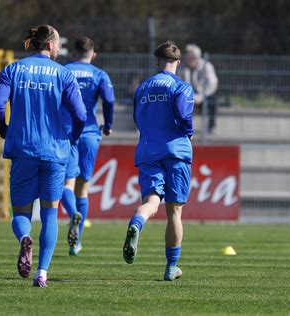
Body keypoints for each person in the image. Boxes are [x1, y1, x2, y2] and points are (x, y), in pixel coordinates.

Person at [0, 25, 87, 288]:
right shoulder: (63, 74)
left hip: (22, 149)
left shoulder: (13, 69)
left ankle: (24, 238)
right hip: (55, 152)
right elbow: (80, 115)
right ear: (51, 46)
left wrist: (4, 130)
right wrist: (73, 137)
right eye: (58, 44)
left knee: (21, 213)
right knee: (50, 215)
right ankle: (42, 273)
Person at [122, 41, 194, 281]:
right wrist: (190, 132)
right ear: (178, 62)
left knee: (151, 202)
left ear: (157, 61)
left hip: (148, 151)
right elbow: (184, 115)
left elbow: (137, 119)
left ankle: (137, 222)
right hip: (176, 152)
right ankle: (171, 267)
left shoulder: (142, 88)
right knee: (174, 212)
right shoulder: (181, 86)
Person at [61, 37, 115, 256]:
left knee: (67, 183)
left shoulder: (63, 71)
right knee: (83, 187)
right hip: (91, 132)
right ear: (93, 55)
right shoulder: (99, 74)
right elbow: (109, 100)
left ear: (73, 54)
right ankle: (76, 243)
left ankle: (72, 212)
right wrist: (108, 125)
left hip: (66, 132)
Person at [177, 43, 218, 133]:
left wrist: (202, 96)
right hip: (186, 96)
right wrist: (188, 95)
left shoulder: (206, 66)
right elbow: (177, 83)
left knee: (213, 99)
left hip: (202, 95)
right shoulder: (180, 67)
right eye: (187, 57)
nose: (189, 59)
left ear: (197, 57)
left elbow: (212, 84)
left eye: (191, 57)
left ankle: (211, 126)